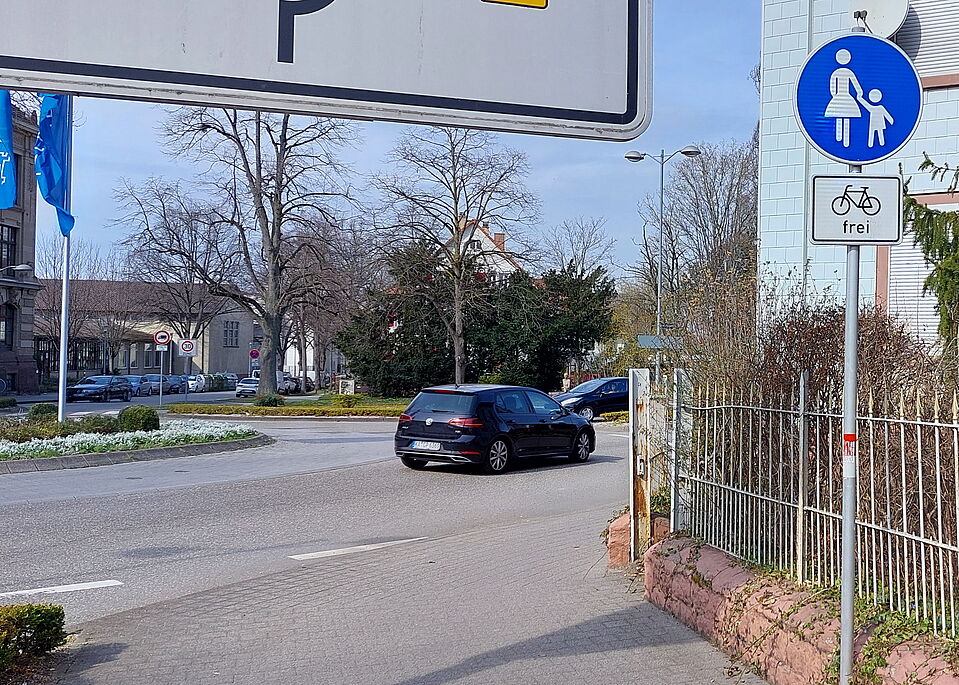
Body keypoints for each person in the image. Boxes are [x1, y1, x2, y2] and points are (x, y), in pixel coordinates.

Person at [824, 49, 864, 148]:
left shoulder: (836, 73)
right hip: (846, 97)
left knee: (840, 115)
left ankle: (840, 138)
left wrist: (834, 95)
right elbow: (856, 85)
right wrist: (859, 93)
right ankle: (844, 141)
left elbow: (832, 86)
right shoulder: (848, 72)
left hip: (839, 97)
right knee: (846, 116)